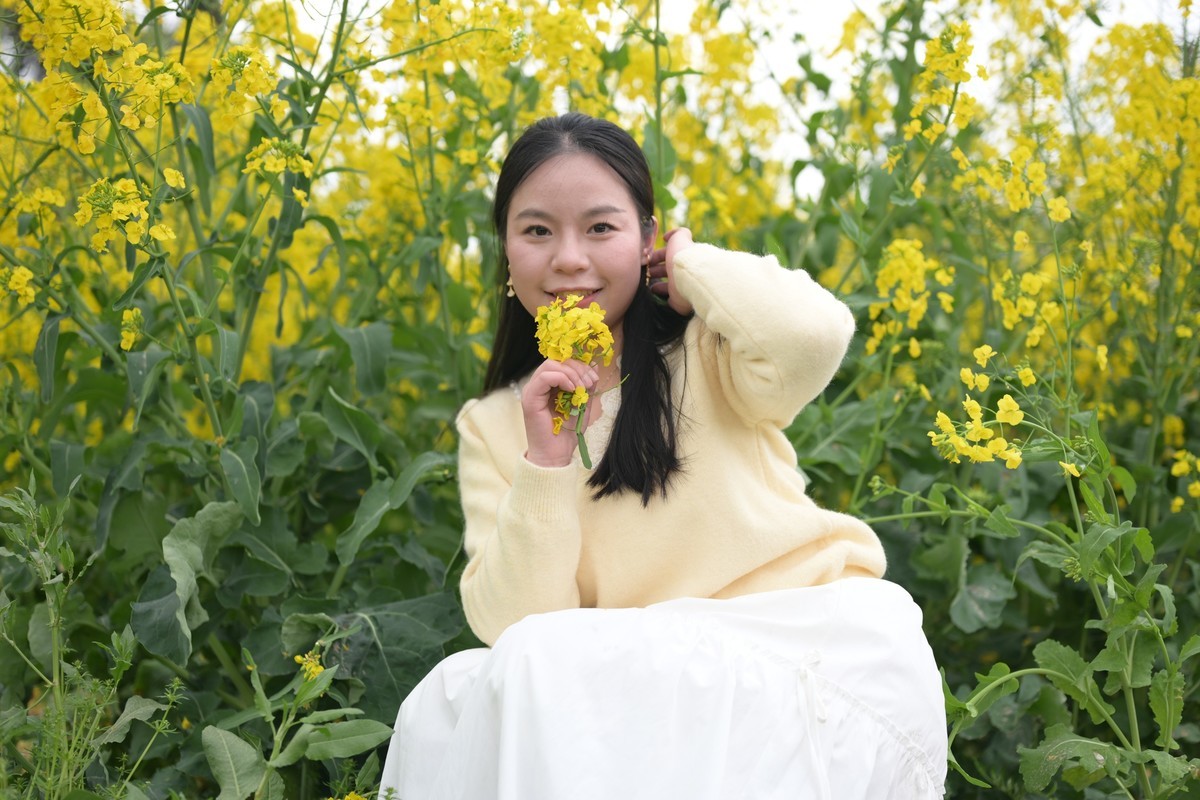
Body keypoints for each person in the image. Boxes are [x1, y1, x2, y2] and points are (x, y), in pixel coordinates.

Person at [377, 112, 947, 799]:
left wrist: (690, 268)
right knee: (461, 694)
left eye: (600, 228)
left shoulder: (711, 351)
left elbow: (814, 334)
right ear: (504, 253)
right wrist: (547, 457)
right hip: (645, 684)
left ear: (646, 237)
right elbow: (517, 629)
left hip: (790, 648)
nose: (567, 259)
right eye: (535, 231)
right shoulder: (497, 424)